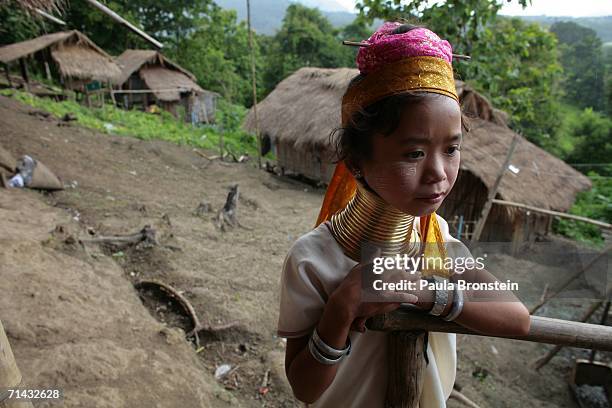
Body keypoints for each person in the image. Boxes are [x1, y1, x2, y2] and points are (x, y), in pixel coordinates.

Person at [277, 23, 531, 407]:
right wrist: (343, 305)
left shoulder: (436, 243)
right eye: (414, 153)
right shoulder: (312, 259)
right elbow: (304, 388)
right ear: (356, 160)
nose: (439, 174)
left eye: (451, 149)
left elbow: (517, 319)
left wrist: (425, 291)